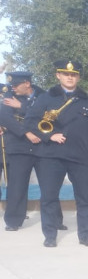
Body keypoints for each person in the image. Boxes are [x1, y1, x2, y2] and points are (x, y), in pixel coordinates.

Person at [26, 59, 88, 247]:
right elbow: (30, 122)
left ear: (78, 77)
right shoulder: (46, 98)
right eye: (66, 74)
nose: (70, 77)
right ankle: (50, 235)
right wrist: (49, 136)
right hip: (51, 156)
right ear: (58, 75)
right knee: (49, 196)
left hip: (80, 156)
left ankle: (85, 235)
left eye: (74, 74)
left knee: (85, 198)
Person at [0, 71, 41, 231]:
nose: (13, 88)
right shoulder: (9, 96)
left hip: (41, 146)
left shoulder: (42, 95)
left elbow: (44, 114)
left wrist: (22, 107)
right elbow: (5, 117)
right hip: (18, 146)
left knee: (50, 184)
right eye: (11, 85)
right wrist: (26, 132)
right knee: (17, 185)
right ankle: (13, 220)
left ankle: (55, 219)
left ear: (27, 83)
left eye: (16, 85)